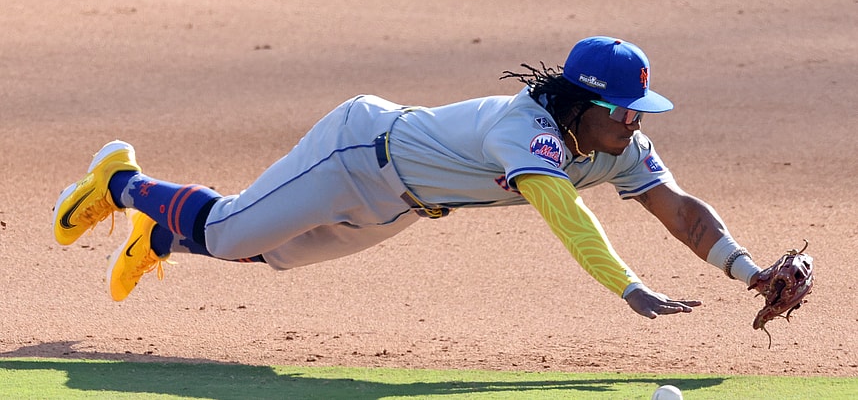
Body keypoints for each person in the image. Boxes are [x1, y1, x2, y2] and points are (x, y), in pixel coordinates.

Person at [53, 35, 763, 319]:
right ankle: (122, 183)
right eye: (624, 109)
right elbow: (565, 213)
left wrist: (750, 271)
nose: (635, 122)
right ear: (583, 100)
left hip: (401, 205)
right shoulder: (524, 129)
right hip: (356, 151)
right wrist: (629, 286)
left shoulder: (616, 146)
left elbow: (683, 212)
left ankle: (162, 239)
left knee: (276, 253)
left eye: (639, 112)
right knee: (232, 230)